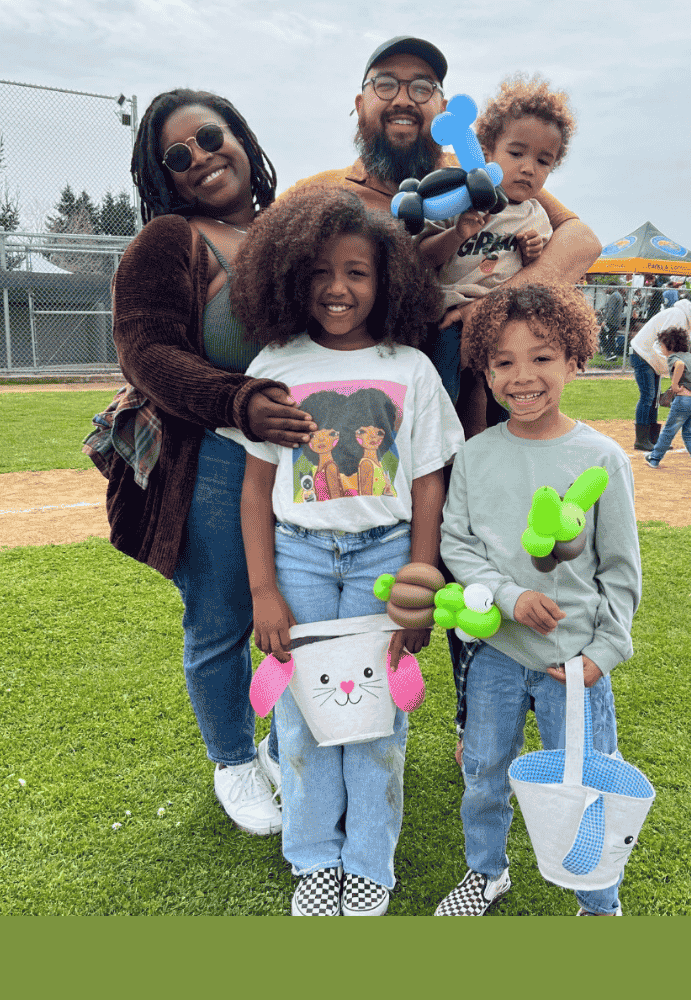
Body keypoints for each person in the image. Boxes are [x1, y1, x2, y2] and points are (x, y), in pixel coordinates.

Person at [219, 186, 465, 915]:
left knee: (376, 719)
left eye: (357, 271)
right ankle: (313, 856)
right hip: (297, 557)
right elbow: (255, 489)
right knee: (301, 718)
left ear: (385, 278)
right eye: (322, 271)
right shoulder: (276, 364)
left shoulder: (410, 369)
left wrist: (417, 584)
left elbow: (427, 487)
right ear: (293, 276)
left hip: (383, 559)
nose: (338, 287)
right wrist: (263, 589)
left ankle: (367, 860)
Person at [108, 89, 319, 837]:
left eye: (209, 137)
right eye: (178, 155)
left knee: (303, 609)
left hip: (309, 461)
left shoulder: (289, 227)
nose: (200, 158)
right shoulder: (168, 239)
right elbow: (146, 353)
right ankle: (232, 760)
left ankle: (277, 744)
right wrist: (238, 402)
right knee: (224, 618)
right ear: (163, 175)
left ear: (239, 137)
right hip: (220, 460)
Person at [436, 283, 641, 917]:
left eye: (542, 356)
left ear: (576, 358)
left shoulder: (602, 457)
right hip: (496, 653)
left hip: (573, 667)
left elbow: (621, 567)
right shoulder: (473, 455)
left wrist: (603, 652)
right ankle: (486, 872)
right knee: (484, 775)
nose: (522, 376)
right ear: (485, 369)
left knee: (587, 782)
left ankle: (598, 898)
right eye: (503, 361)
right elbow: (457, 545)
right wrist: (509, 595)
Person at [283, 36, 602, 437]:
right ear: (361, 104)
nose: (404, 99)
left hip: (456, 358)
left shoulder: (475, 175)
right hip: (357, 410)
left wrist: (491, 307)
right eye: (385, 84)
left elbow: (581, 241)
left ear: (443, 110)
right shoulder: (320, 191)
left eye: (422, 87)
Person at [417, 74, 577, 401]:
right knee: (444, 395)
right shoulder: (460, 199)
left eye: (543, 160)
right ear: (488, 150)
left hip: (502, 321)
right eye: (517, 153)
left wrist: (531, 252)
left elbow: (534, 276)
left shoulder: (536, 217)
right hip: (448, 316)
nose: (528, 168)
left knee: (503, 395)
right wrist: (456, 233)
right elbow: (423, 256)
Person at [629, 294, 691, 452]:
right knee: (648, 396)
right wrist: (674, 377)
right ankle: (641, 440)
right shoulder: (678, 317)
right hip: (643, 354)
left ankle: (652, 438)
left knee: (655, 399)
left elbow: (679, 352)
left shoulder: (689, 322)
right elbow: (661, 346)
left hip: (654, 359)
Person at [643, 328, 691, 474]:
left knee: (669, 431)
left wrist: (674, 385)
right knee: (689, 433)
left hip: (684, 400)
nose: (661, 348)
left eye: (662, 345)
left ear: (670, 345)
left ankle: (654, 459)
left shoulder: (674, 357)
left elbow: (679, 365)